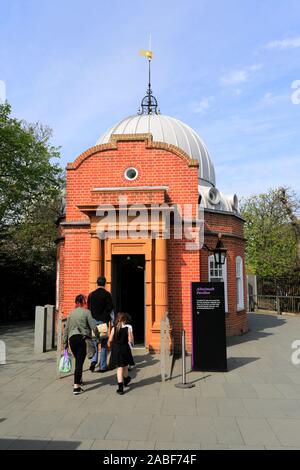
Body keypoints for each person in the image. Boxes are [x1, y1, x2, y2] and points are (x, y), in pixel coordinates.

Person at [63, 294, 100, 395]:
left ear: (76, 303)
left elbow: (66, 329)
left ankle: (79, 380)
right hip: (82, 339)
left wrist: (65, 343)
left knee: (78, 361)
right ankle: (76, 387)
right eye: (85, 302)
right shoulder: (87, 312)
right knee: (79, 363)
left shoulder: (70, 314)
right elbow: (93, 326)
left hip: (72, 340)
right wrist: (98, 337)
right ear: (83, 302)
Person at [88, 276, 114, 373]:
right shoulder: (107, 294)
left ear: (97, 283)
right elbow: (111, 308)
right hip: (103, 322)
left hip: (93, 322)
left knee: (94, 343)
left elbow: (88, 308)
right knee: (103, 344)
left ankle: (94, 361)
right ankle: (102, 366)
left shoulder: (91, 295)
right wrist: (111, 321)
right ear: (105, 283)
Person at [108, 312, 135, 395]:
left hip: (116, 349)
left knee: (120, 368)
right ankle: (126, 379)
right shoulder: (128, 329)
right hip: (125, 349)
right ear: (125, 320)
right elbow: (131, 340)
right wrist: (132, 343)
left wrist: (109, 345)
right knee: (125, 365)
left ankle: (120, 388)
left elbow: (110, 340)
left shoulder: (114, 328)